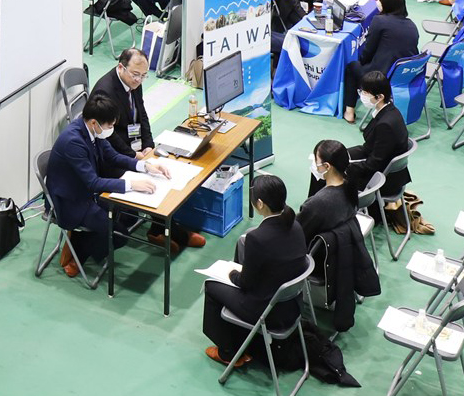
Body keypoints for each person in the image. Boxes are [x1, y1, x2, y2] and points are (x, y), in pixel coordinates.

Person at [91, 47, 207, 249]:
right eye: (135, 75)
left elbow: (142, 114)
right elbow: (109, 134)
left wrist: (148, 145)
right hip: (112, 155)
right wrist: (134, 155)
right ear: (121, 67)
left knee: (163, 170)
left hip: (133, 146)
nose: (139, 80)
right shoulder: (105, 90)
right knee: (149, 179)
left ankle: (158, 228)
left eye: (144, 76)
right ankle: (164, 230)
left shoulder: (134, 81)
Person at [44, 92, 168, 278]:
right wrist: (132, 184)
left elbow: (113, 156)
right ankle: (79, 247)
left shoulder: (93, 131)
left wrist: (145, 166)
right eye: (110, 126)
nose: (111, 129)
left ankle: (82, 241)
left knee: (128, 215)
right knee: (119, 235)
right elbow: (93, 183)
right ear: (94, 122)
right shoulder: (73, 142)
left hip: (85, 192)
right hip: (70, 201)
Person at [199, 175, 308, 369]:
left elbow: (245, 283)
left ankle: (228, 352)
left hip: (266, 310)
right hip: (292, 305)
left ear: (260, 204)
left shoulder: (258, 238)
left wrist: (232, 273)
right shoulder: (296, 225)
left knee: (212, 285)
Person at [300, 140, 381, 336]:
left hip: (318, 259)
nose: (314, 165)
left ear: (327, 166)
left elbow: (297, 236)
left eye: (316, 161)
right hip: (338, 255)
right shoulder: (349, 187)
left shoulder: (317, 204)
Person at [349, 69, 430, 234]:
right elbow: (370, 148)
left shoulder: (385, 124)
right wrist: (343, 153)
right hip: (388, 169)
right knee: (333, 155)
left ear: (379, 97)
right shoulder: (390, 110)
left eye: (365, 93)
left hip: (383, 179)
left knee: (331, 172)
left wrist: (344, 165)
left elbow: (373, 164)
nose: (362, 96)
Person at [343, 0, 418, 122]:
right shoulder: (412, 25)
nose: (377, 2)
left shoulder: (379, 21)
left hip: (383, 76)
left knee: (352, 67)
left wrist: (362, 62)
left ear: (386, 4)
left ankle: (349, 111)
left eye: (379, 0)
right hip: (405, 76)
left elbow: (368, 51)